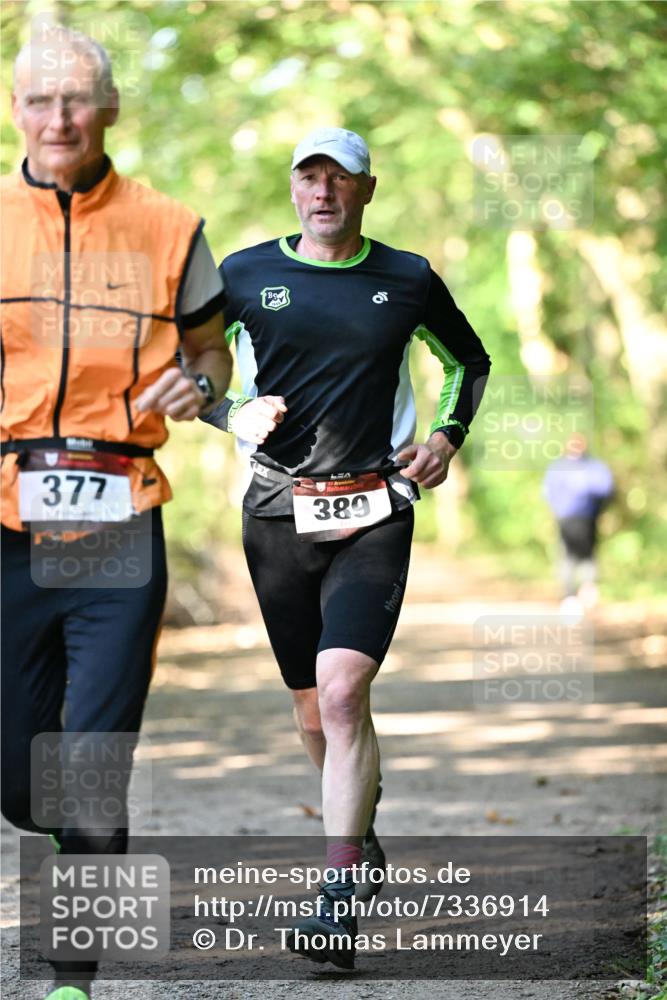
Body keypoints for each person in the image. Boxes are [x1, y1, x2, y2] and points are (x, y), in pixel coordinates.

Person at [203, 127, 491, 969]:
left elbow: (467, 361)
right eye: (310, 177)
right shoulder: (244, 274)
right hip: (275, 514)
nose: (323, 191)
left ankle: (335, 893)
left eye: (340, 178)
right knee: (310, 710)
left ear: (367, 189)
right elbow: (189, 370)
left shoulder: (406, 277)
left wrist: (446, 437)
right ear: (293, 188)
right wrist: (231, 412)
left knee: (340, 690)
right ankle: (358, 832)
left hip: (375, 509)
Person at [1, 26, 232, 1000]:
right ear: (17, 109)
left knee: (92, 765)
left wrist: (199, 384)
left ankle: (72, 980)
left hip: (119, 516)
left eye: (76, 99)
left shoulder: (168, 227)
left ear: (110, 109)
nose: (58, 118)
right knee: (22, 782)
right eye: (40, 100)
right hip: (7, 526)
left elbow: (213, 353)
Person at [543, 433, 614, 612]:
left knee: (584, 555)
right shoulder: (562, 468)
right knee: (569, 556)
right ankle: (571, 595)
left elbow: (605, 489)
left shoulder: (593, 467)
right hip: (568, 519)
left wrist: (597, 510)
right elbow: (548, 492)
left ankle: (586, 590)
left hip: (586, 518)